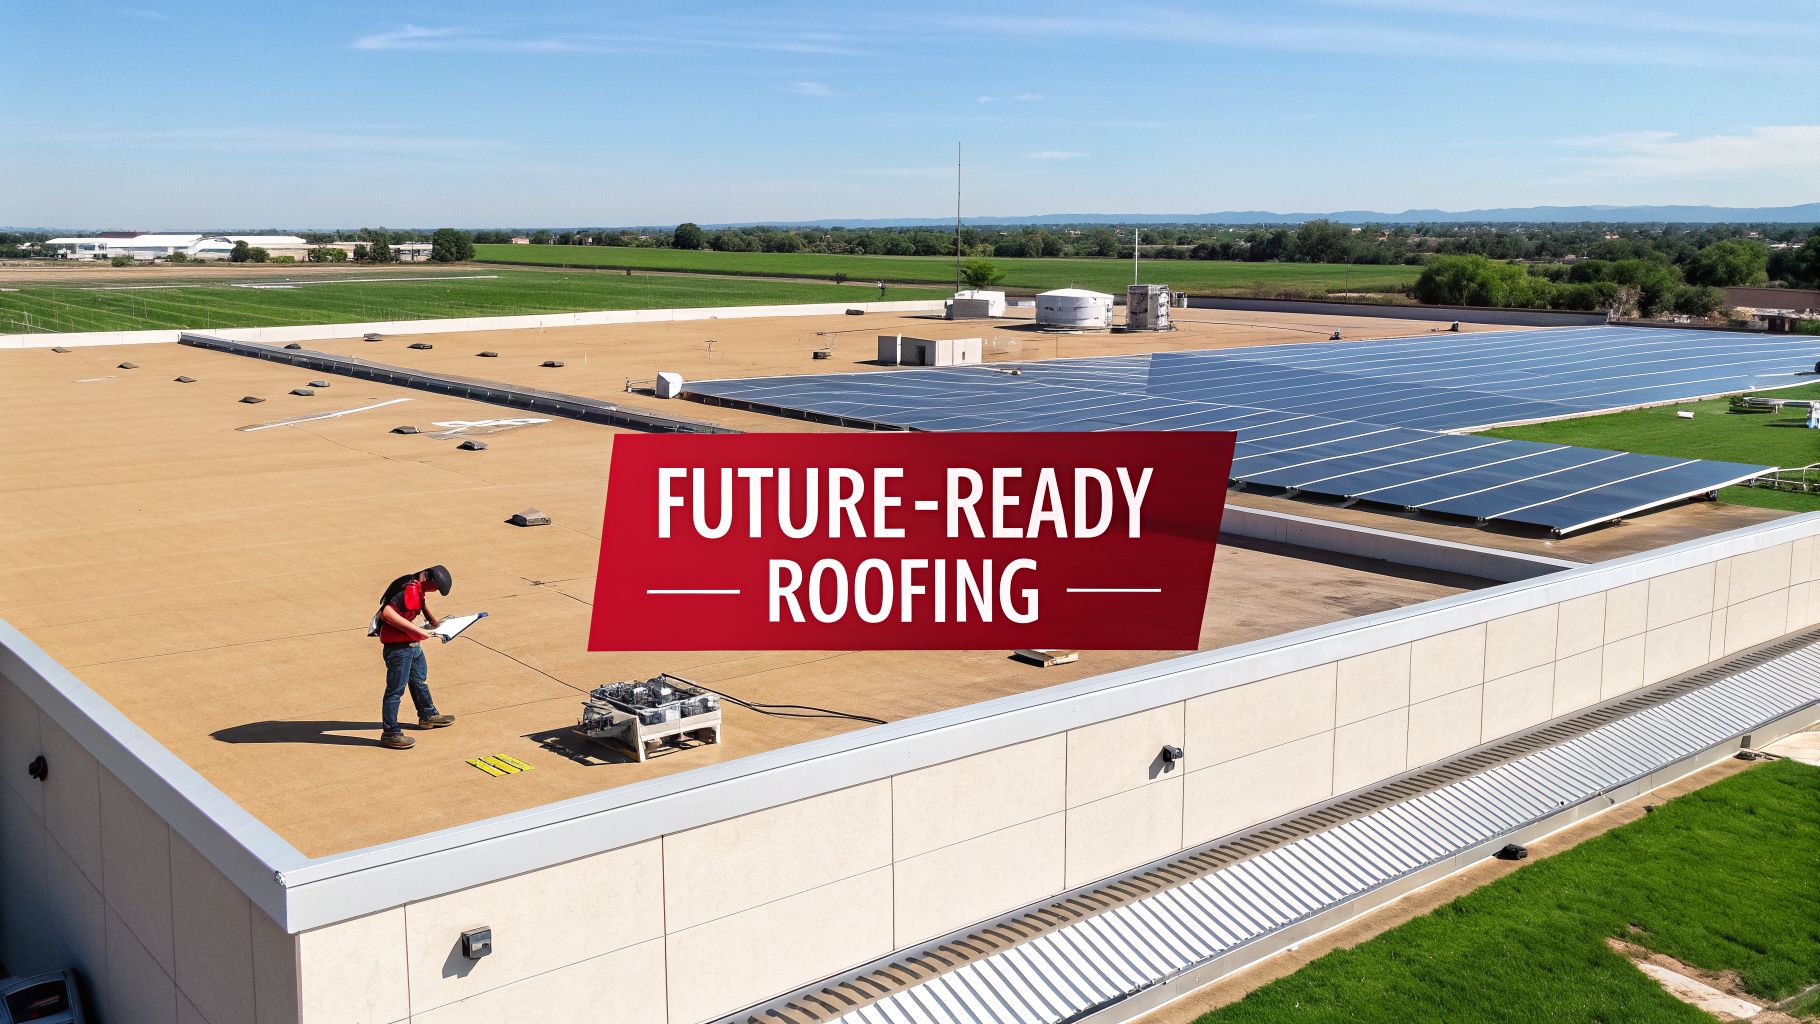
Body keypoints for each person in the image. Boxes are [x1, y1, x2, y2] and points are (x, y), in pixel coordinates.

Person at [373, 565, 457, 749]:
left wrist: (434, 622)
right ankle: (390, 733)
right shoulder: (408, 589)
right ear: (429, 580)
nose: (434, 591)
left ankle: (428, 715)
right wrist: (418, 630)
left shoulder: (415, 584)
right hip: (398, 649)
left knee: (419, 680)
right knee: (395, 691)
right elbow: (386, 613)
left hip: (412, 645)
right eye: (435, 588)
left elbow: (421, 604)